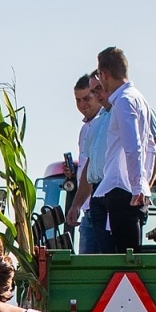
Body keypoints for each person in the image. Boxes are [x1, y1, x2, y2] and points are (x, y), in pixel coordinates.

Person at [94, 47, 156, 253]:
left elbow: (133, 145)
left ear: (104, 74)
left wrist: (138, 185)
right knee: (130, 255)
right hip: (131, 188)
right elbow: (149, 147)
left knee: (124, 259)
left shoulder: (123, 101)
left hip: (123, 188)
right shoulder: (139, 99)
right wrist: (142, 183)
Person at [66, 73, 109, 254]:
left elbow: (94, 169)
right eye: (78, 100)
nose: (82, 105)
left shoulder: (106, 122)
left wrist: (75, 205)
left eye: (87, 98)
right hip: (88, 209)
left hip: (102, 209)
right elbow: (87, 167)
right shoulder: (85, 129)